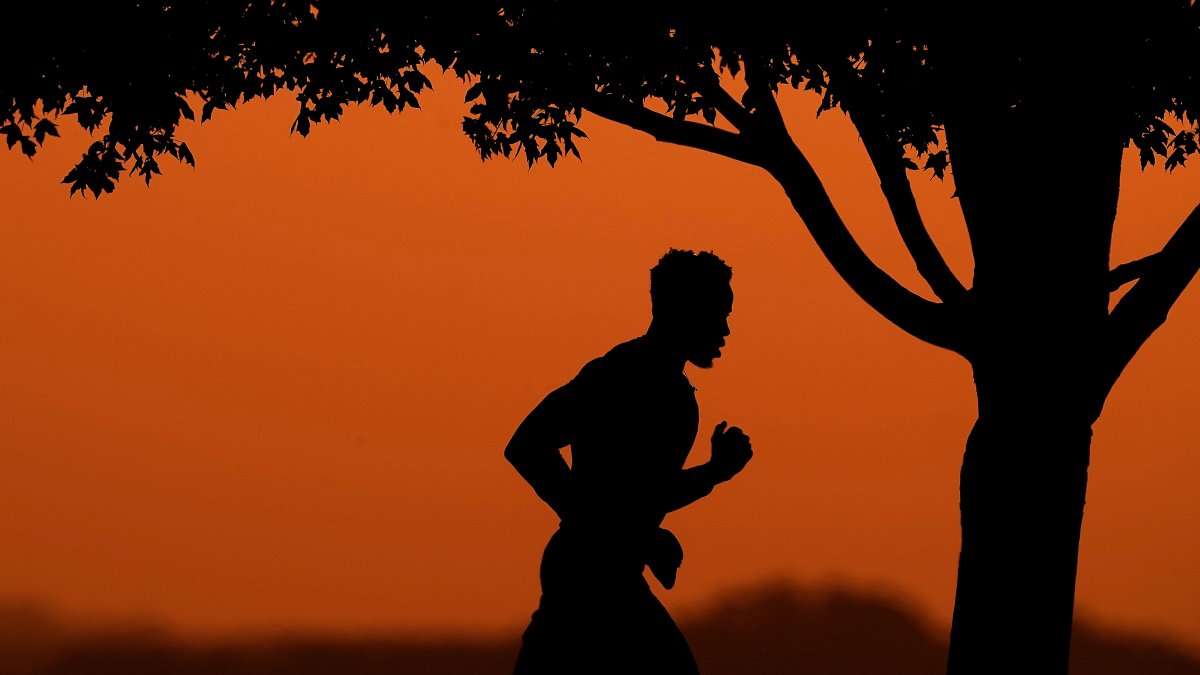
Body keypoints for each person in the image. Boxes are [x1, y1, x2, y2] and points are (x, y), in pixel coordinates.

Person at [505, 248, 754, 674]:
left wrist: (713, 474)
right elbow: (527, 445)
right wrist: (607, 530)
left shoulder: (674, 392)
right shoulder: (619, 375)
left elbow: (642, 494)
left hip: (608, 572)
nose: (726, 329)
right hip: (588, 578)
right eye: (717, 313)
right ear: (681, 309)